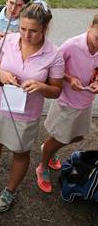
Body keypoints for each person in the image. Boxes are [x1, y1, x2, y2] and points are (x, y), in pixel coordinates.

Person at [0, 0, 64, 212]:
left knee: (20, 153)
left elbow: (57, 90)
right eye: (22, 28)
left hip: (26, 114)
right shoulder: (7, 41)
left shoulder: (54, 54)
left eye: (33, 31)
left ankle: (10, 189)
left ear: (45, 28)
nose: (26, 35)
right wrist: (0, 73)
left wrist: (40, 86)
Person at [36, 14, 98, 193]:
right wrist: (70, 79)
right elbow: (53, 68)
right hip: (67, 102)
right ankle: (43, 167)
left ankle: (50, 150)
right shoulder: (72, 45)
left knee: (77, 136)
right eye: (97, 37)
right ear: (89, 26)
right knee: (59, 138)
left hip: (85, 102)